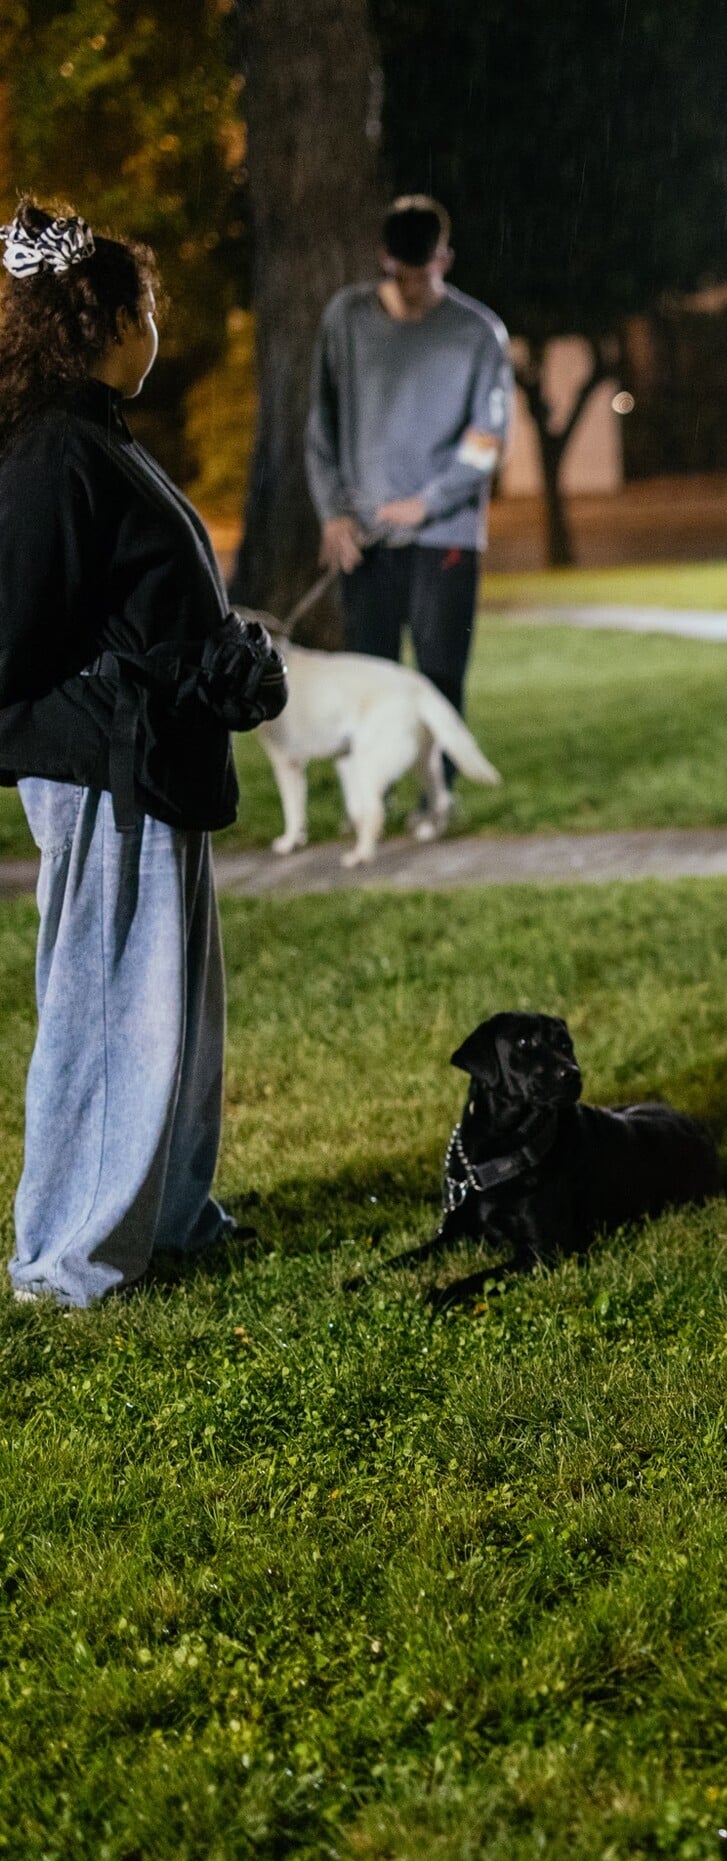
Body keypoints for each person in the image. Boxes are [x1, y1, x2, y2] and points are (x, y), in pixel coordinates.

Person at [0, 205, 250, 1305]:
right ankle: (67, 1260)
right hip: (107, 764)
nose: (156, 330)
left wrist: (224, 665)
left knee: (173, 1009)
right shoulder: (53, 447)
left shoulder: (94, 431)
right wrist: (159, 680)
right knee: (110, 1008)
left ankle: (171, 1215)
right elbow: (18, 630)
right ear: (98, 321)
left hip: (154, 757)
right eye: (146, 311)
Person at [307, 195, 511, 803]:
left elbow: (487, 440)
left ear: (444, 259)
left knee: (440, 672)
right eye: (402, 274)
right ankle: (372, 797)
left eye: (425, 274)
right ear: (384, 260)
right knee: (366, 674)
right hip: (365, 537)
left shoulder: (478, 333)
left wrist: (431, 503)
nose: (413, 288)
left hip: (443, 536)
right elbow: (322, 427)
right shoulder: (345, 319)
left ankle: (437, 798)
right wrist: (333, 513)